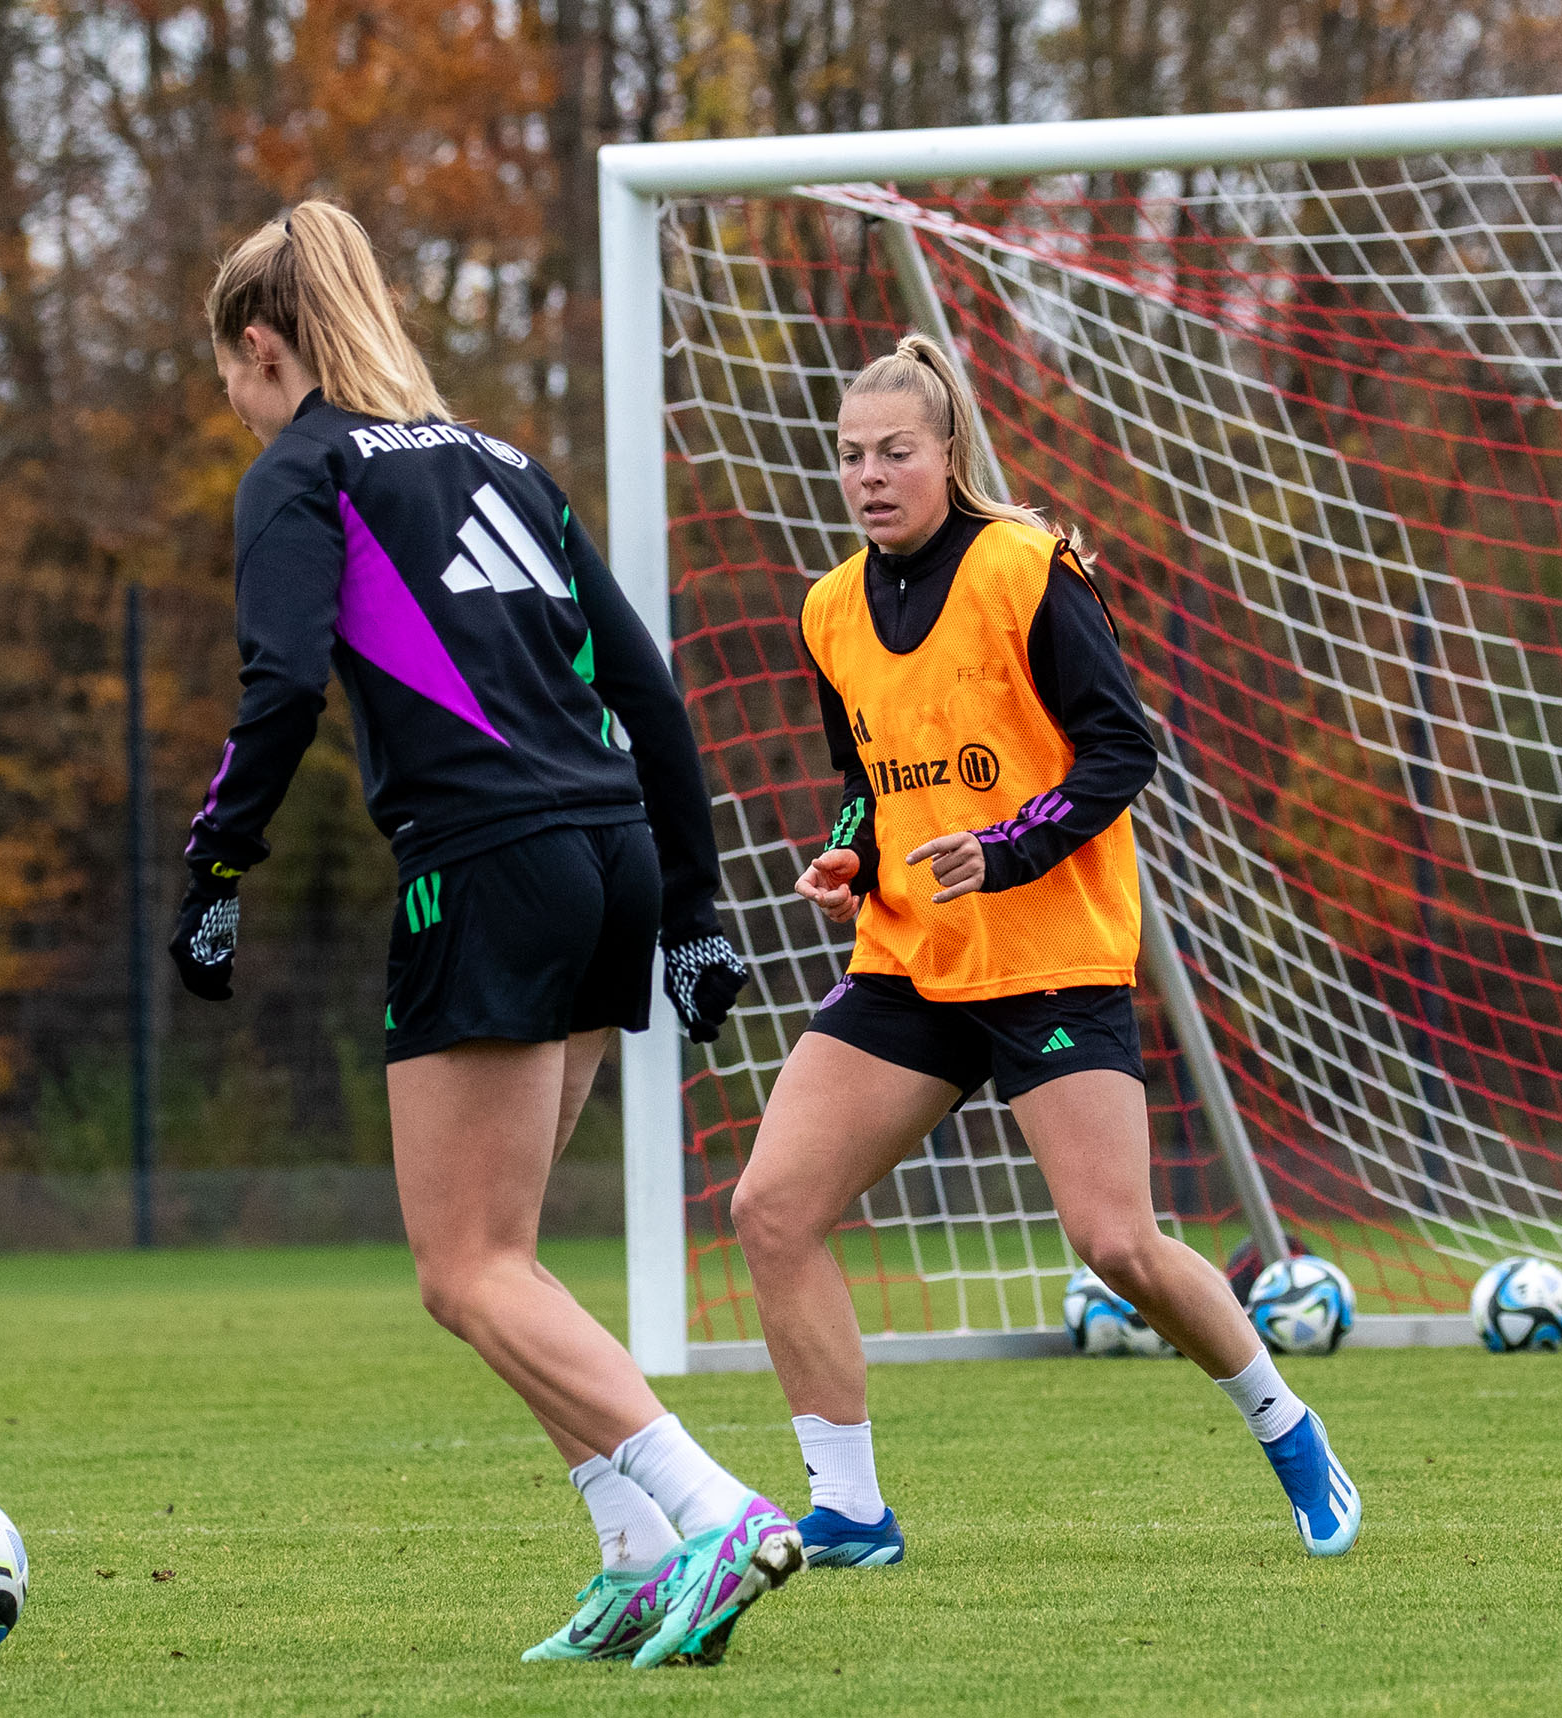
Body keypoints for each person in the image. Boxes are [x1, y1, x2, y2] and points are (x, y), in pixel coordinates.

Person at [169, 201, 796, 1668]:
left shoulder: (301, 469)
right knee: (502, 1252)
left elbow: (276, 688)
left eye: (233, 380)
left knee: (462, 1268)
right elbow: (647, 691)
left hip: (491, 862)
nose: (240, 407)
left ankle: (712, 1508)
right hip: (615, 853)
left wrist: (213, 864)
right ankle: (636, 1548)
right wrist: (694, 908)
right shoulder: (506, 461)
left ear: (263, 345)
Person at [727, 334, 1363, 1567]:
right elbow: (867, 773)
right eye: (851, 455)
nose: (869, 475)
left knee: (1114, 1240)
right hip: (910, 961)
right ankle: (851, 1509)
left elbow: (1121, 748)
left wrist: (1006, 850)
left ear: (949, 452)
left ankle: (1288, 1427)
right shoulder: (827, 608)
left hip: (1052, 954)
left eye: (895, 452)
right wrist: (853, 850)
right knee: (771, 1205)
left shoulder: (1025, 566)